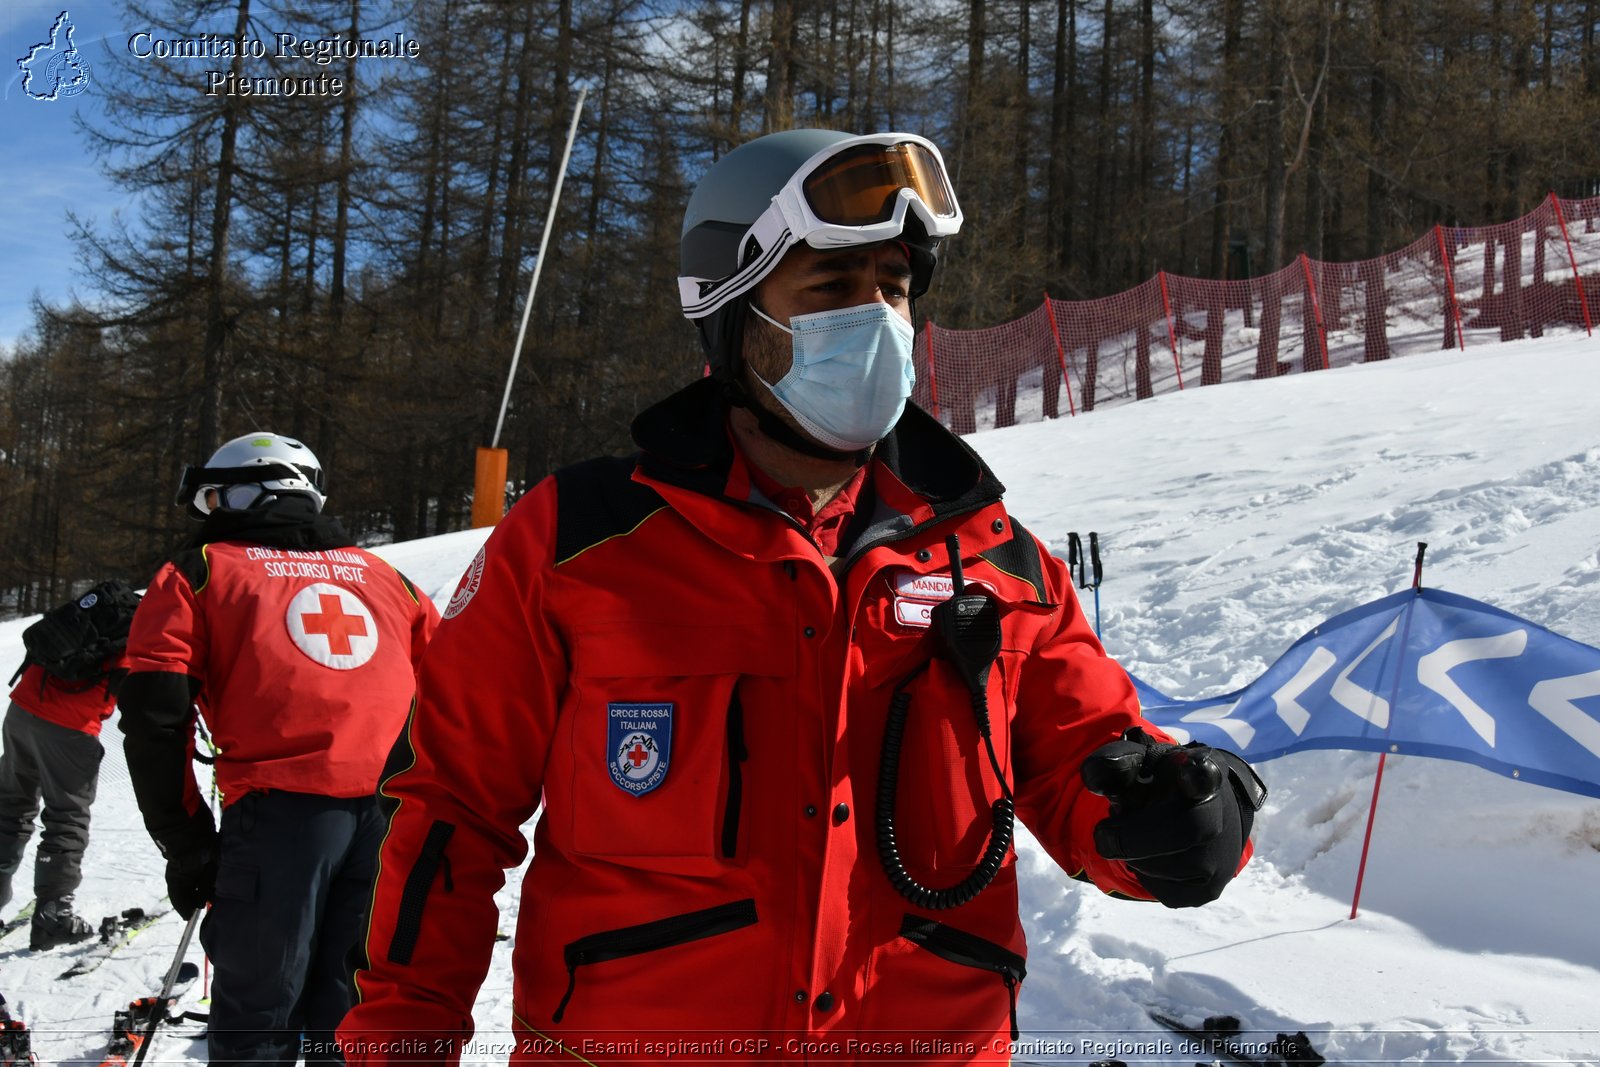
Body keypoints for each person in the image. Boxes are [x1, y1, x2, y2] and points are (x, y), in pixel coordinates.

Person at [338, 130, 1266, 1064]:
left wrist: (1175, 824)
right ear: (733, 317)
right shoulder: (578, 541)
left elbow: (1087, 768)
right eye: (829, 290)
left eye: (893, 290)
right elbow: (448, 811)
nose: (876, 322)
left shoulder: (996, 559)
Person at [118, 432, 439, 1065]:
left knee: (260, 1013)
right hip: (388, 818)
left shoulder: (202, 573)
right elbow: (452, 694)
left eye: (214, 498)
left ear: (246, 493)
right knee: (347, 1010)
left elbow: (156, 720)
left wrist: (186, 847)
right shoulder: (386, 577)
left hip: (280, 822)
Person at [0, 630, 128, 949]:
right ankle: (53, 916)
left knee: (10, 808)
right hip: (69, 728)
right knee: (66, 817)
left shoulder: (99, 614)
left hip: (22, 708)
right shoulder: (145, 630)